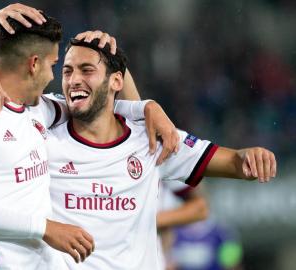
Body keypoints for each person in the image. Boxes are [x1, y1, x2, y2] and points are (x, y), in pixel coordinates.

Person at [0, 4, 179, 269]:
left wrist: (146, 107)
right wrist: (46, 229)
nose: (54, 77)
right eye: (55, 65)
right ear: (34, 64)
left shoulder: (39, 110)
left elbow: (98, 106)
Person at [44, 38, 276, 269]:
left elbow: (235, 164)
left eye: (86, 70)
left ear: (117, 81)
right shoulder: (43, 134)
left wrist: (249, 156)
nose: (74, 80)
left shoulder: (152, 140)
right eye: (67, 71)